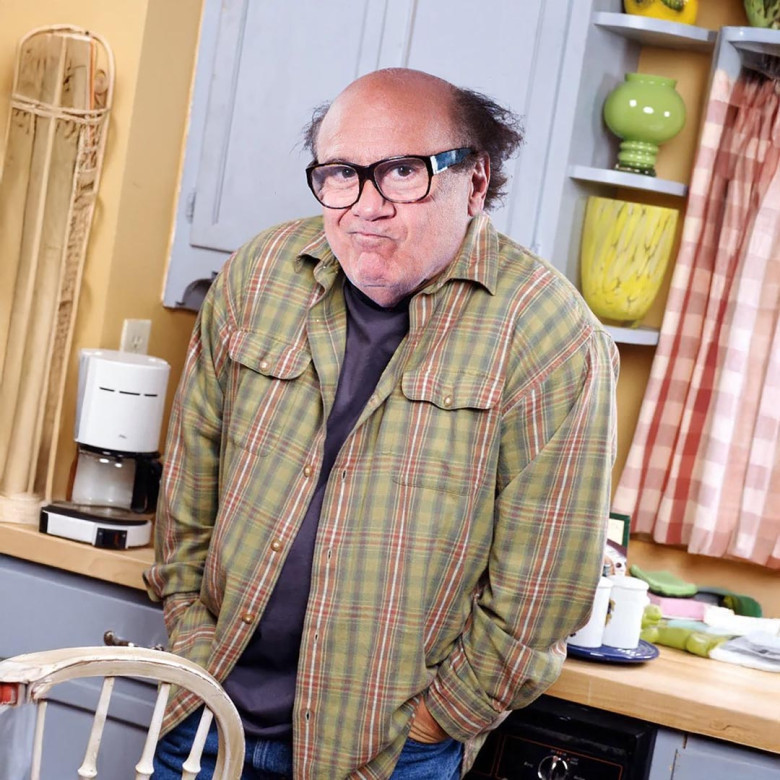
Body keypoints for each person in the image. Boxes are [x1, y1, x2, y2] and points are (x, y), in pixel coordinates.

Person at [144, 67, 619, 780]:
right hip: (205, 717)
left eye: (402, 172)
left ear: (476, 181)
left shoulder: (550, 336)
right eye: (341, 173)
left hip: (388, 753)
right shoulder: (258, 278)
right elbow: (188, 490)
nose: (366, 206)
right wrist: (190, 634)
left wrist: (438, 720)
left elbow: (542, 591)